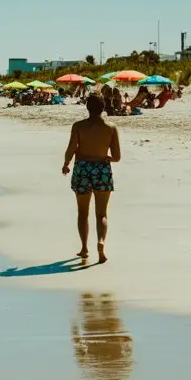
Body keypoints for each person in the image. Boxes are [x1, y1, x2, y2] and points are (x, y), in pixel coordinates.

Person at [62, 94, 121, 265]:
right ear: (103, 108)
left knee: (83, 212)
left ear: (87, 108)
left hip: (82, 169)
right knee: (101, 213)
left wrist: (66, 164)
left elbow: (71, 148)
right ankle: (101, 242)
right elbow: (116, 157)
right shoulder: (111, 127)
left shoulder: (79, 126)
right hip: (102, 169)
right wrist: (105, 158)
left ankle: (84, 248)